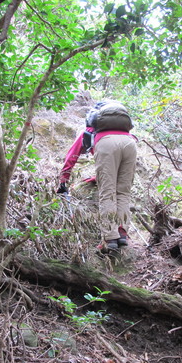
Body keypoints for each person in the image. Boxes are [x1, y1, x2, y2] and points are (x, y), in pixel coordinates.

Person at [58, 102, 137, 252]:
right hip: (130, 143)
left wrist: (63, 180)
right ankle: (122, 233)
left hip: (106, 144)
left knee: (107, 193)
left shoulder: (89, 130)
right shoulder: (122, 130)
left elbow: (71, 157)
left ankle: (110, 238)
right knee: (123, 192)